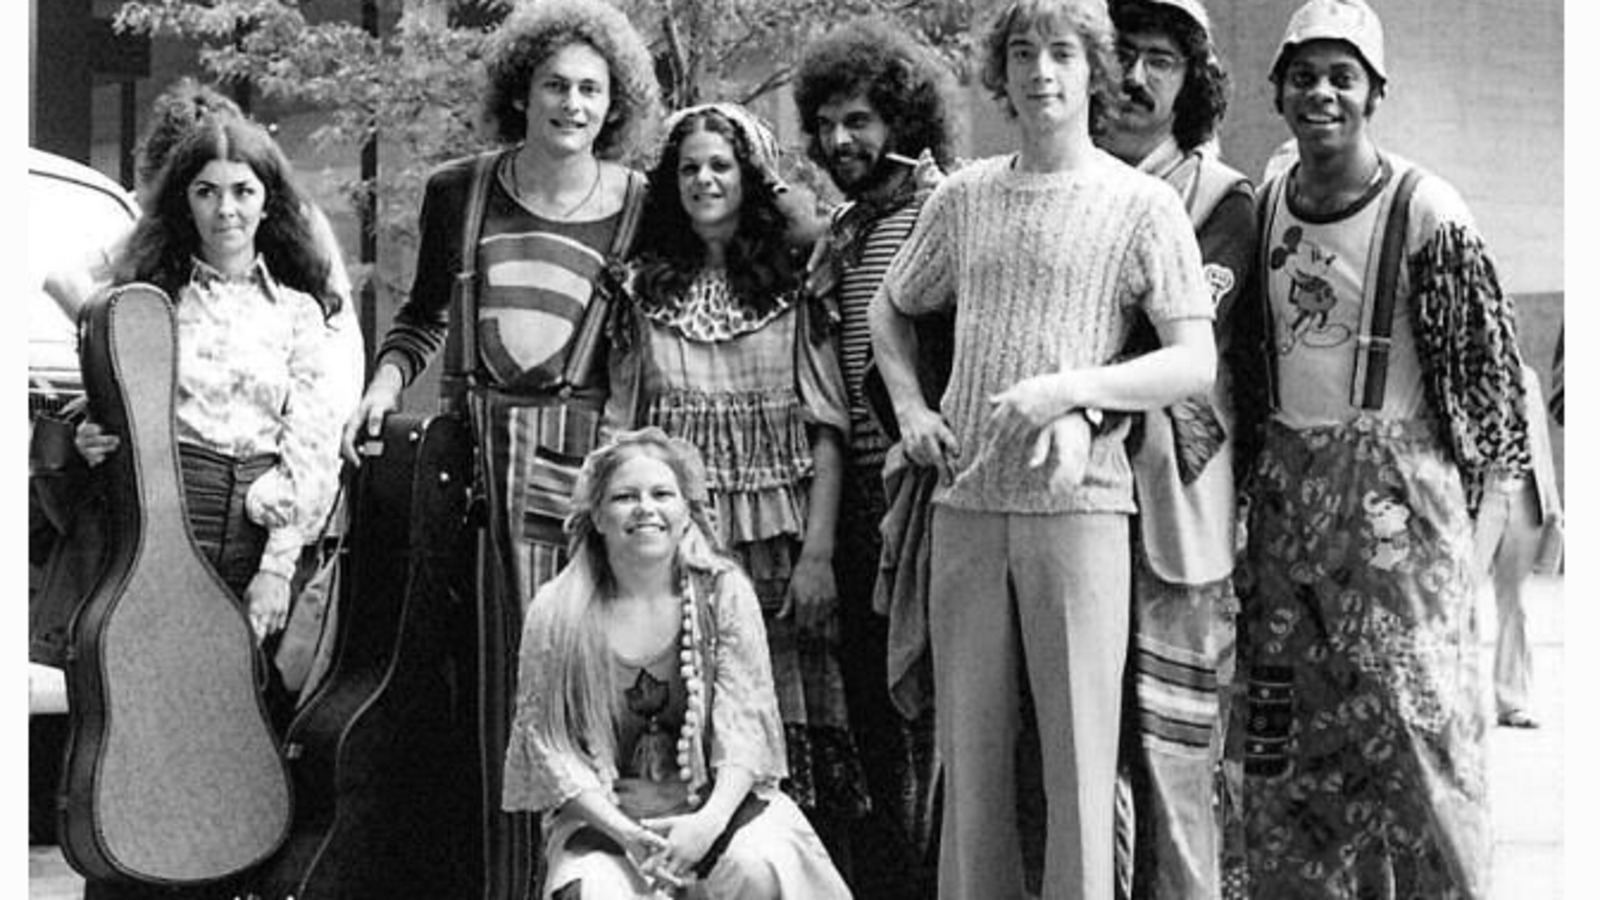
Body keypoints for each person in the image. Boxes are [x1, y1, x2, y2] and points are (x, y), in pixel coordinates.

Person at [868, 0, 1218, 895]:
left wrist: (1074, 389)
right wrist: (910, 408)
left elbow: (1192, 361)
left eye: (1062, 52)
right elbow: (892, 306)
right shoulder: (962, 198)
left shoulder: (1141, 206)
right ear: (1001, 71)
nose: (1041, 72)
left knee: (1079, 770)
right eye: (1022, 52)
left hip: (1083, 512)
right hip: (968, 509)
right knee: (971, 767)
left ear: (1093, 69)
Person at [339, 1, 662, 896]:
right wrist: (380, 387)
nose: (572, 103)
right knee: (489, 705)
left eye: (591, 89)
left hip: (586, 479)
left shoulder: (640, 203)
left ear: (614, 103)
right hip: (473, 479)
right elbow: (418, 319)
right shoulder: (461, 189)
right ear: (521, 91)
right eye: (555, 84)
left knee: (590, 696)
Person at [1233, 1, 1529, 896]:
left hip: (1400, 526)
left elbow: (1492, 395)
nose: (1321, 93)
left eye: (1342, 76)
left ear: (1375, 93)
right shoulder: (1267, 201)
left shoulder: (1428, 209)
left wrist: (1475, 553)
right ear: (1277, 88)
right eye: (1304, 75)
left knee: (1419, 741)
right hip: (1289, 522)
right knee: (1288, 754)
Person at [71, 115, 352, 899]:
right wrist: (90, 435)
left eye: (243, 190)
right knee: (153, 709)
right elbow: (110, 401)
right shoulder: (148, 300)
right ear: (182, 202)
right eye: (205, 191)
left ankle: (231, 877)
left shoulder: (299, 311)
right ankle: (135, 876)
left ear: (270, 202)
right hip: (169, 508)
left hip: (261, 522)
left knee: (242, 714)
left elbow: (312, 444)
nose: (226, 209)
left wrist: (276, 569)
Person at [606, 102, 870, 875]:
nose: (703, 180)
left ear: (749, 177)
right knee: (681, 724)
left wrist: (819, 554)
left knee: (783, 732)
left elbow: (828, 426)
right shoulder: (641, 293)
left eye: (719, 165)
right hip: (676, 552)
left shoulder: (795, 284)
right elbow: (625, 433)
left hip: (779, 549)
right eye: (688, 168)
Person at [502, 428, 852, 899]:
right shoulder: (558, 610)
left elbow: (746, 728)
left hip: (720, 806)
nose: (646, 507)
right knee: (596, 892)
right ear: (598, 516)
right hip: (610, 820)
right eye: (625, 496)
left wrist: (706, 824)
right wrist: (630, 835)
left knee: (761, 864)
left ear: (687, 513)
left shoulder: (722, 593)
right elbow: (550, 747)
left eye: (662, 494)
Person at [1094, 1, 1256, 897]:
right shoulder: (1039, 181)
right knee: (1067, 753)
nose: (1134, 77)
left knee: (1174, 762)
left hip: (1175, 513)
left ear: (1192, 81)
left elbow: (1171, 341)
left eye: (1161, 59)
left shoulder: (1220, 200)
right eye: (1121, 52)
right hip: (1068, 505)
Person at [792, 20, 957, 899]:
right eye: (825, 124)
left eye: (858, 119)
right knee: (872, 719)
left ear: (902, 117)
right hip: (857, 500)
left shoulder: (947, 207)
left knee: (937, 722)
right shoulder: (843, 232)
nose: (840, 140)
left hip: (935, 494)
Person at [1472, 363, 1562, 729]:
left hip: (1524, 494)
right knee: (1460, 600)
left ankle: (1513, 701)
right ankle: (1457, 698)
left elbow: (1539, 441)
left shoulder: (1528, 376)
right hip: (1482, 497)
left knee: (1516, 603)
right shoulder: (1470, 373)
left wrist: (1553, 504)